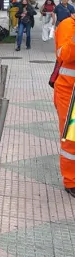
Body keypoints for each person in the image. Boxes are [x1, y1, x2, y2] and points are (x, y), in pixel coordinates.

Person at [52, 15, 75, 198]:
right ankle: (71, 181)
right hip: (69, 92)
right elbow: (64, 55)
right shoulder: (68, 25)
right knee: (71, 138)